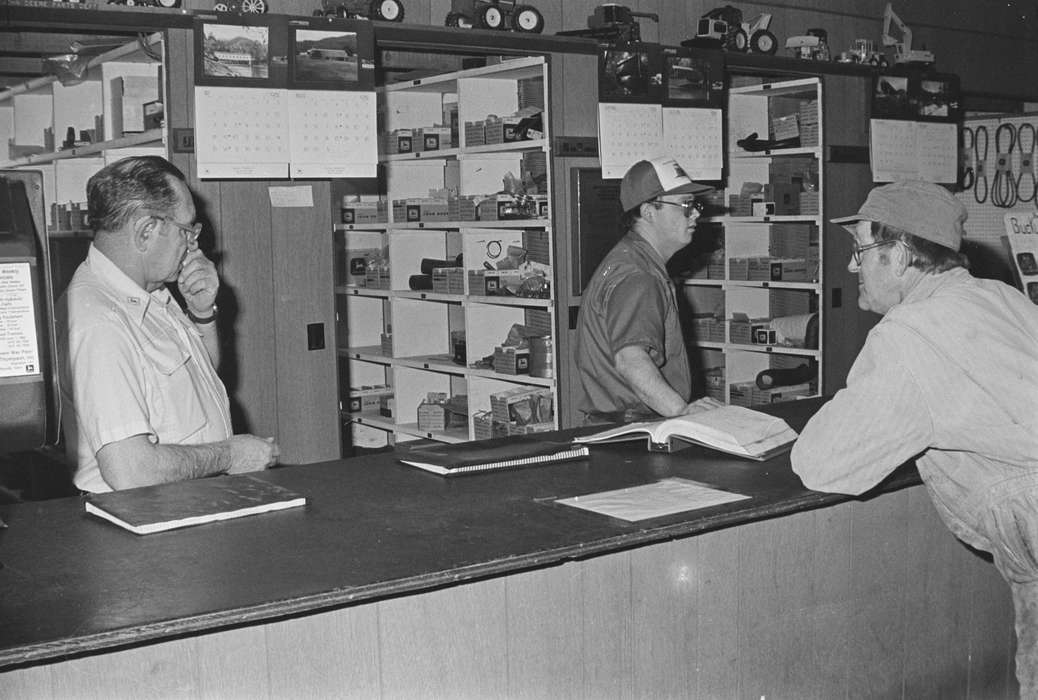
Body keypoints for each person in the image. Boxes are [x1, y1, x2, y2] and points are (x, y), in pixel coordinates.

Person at [789, 180, 1038, 694]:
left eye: (861, 251)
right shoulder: (1004, 297)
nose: (854, 267)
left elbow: (821, 463)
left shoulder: (909, 334)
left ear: (899, 255)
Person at [57, 155, 279, 493]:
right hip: (152, 518)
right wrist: (229, 456)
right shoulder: (100, 322)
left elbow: (197, 378)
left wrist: (201, 313)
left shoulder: (146, 290)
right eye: (187, 231)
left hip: (185, 502)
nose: (194, 245)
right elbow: (131, 470)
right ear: (146, 231)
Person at [576, 156, 720, 421]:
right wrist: (681, 412)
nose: (697, 213)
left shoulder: (629, 259)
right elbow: (631, 360)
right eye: (686, 205)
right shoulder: (639, 276)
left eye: (695, 204)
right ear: (648, 211)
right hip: (633, 432)